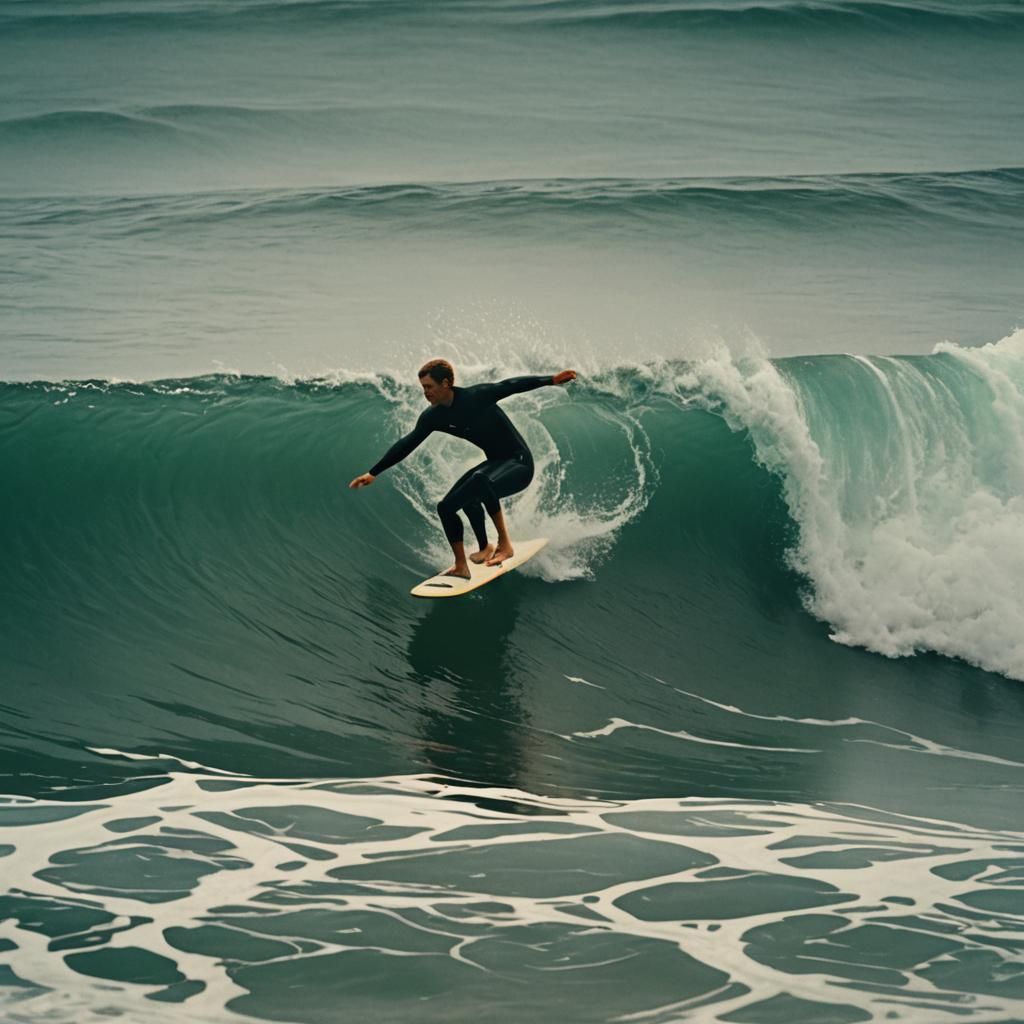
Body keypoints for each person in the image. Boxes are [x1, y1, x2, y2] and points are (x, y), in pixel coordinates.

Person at [350, 359, 577, 578]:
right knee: (446, 507)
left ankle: (504, 545)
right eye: (423, 388)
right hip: (494, 464)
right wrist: (373, 472)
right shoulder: (434, 416)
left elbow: (509, 385)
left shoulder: (476, 396)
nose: (425, 392)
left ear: (446, 383)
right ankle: (466, 562)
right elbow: (407, 443)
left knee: (479, 481)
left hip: (519, 463)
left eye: (429, 387)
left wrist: (551, 380)